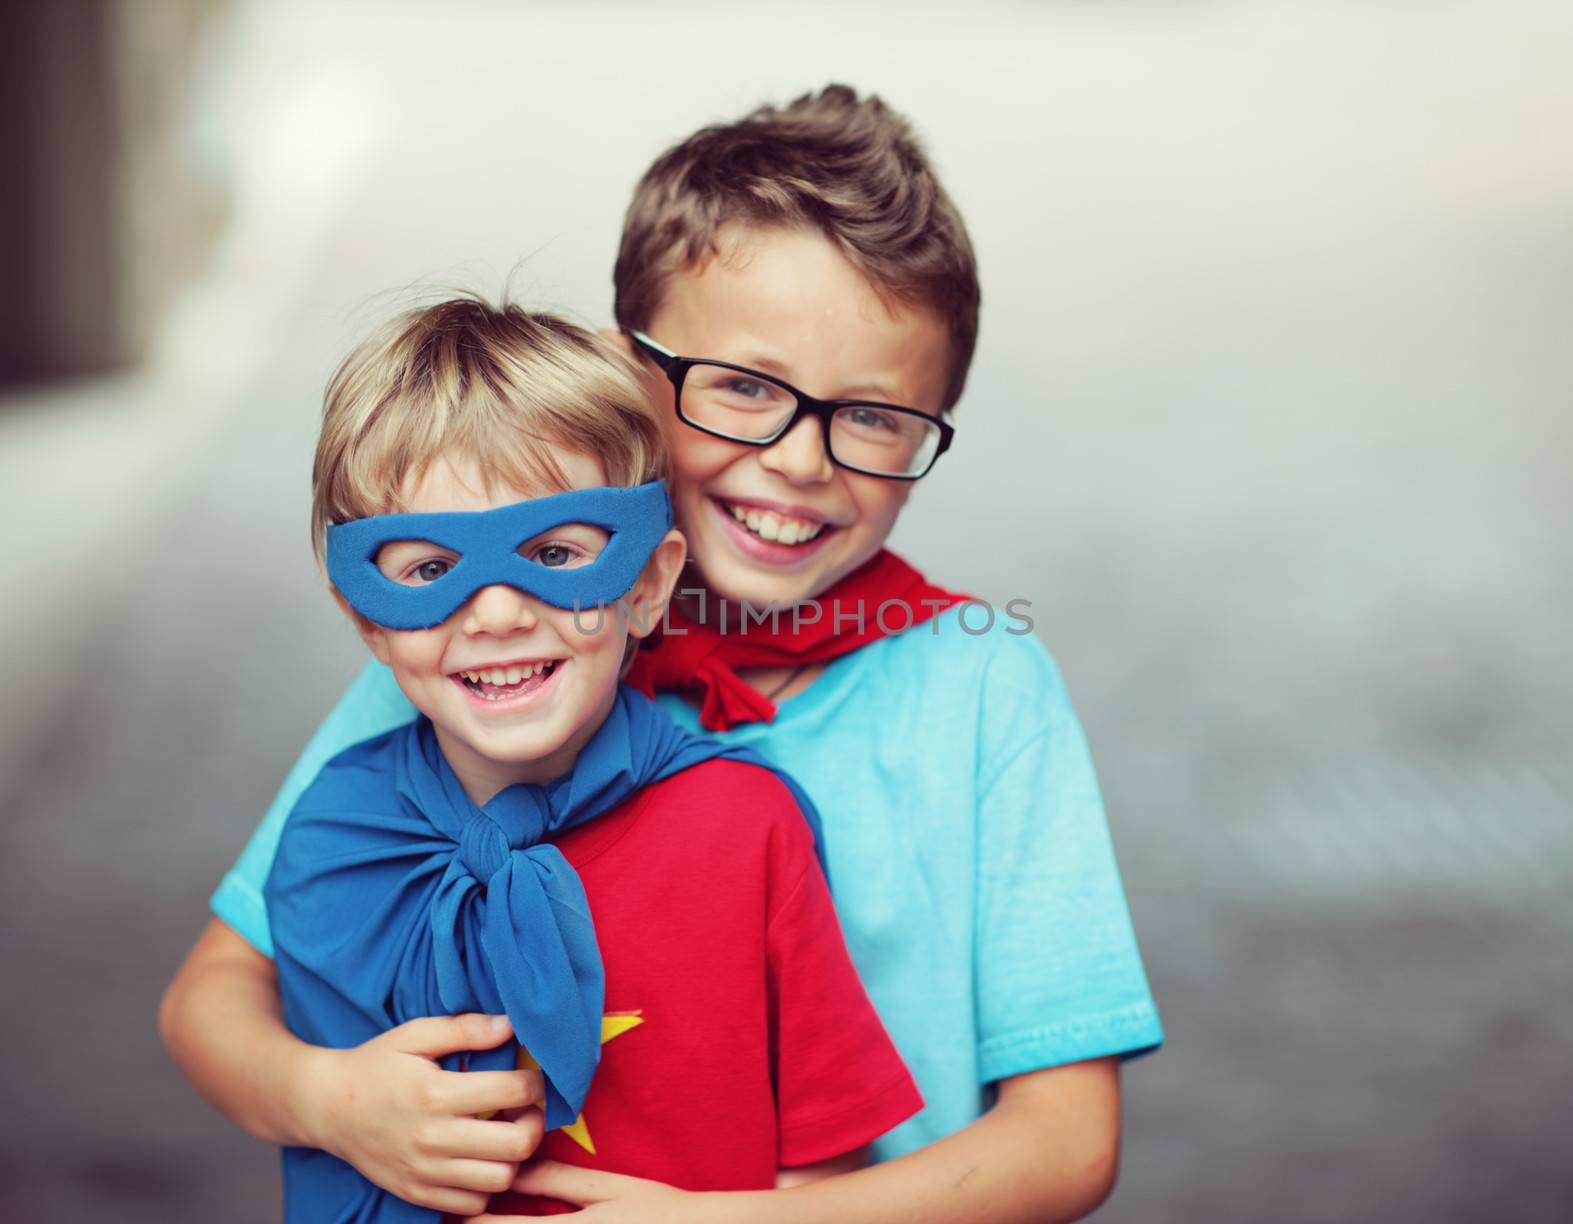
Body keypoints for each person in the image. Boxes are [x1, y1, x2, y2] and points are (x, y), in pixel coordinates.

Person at [161, 85, 1163, 1223]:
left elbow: (1067, 1143)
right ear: (626, 367)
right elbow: (213, 994)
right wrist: (326, 1097)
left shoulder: (983, 689)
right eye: (742, 387)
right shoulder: (501, 648)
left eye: (875, 416)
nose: (798, 461)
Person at [256, 298, 921, 1220]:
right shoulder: (337, 836)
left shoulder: (746, 828)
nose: (495, 614)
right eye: (425, 571)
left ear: (648, 585)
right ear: (366, 615)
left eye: (558, 553)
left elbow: (826, 1175)